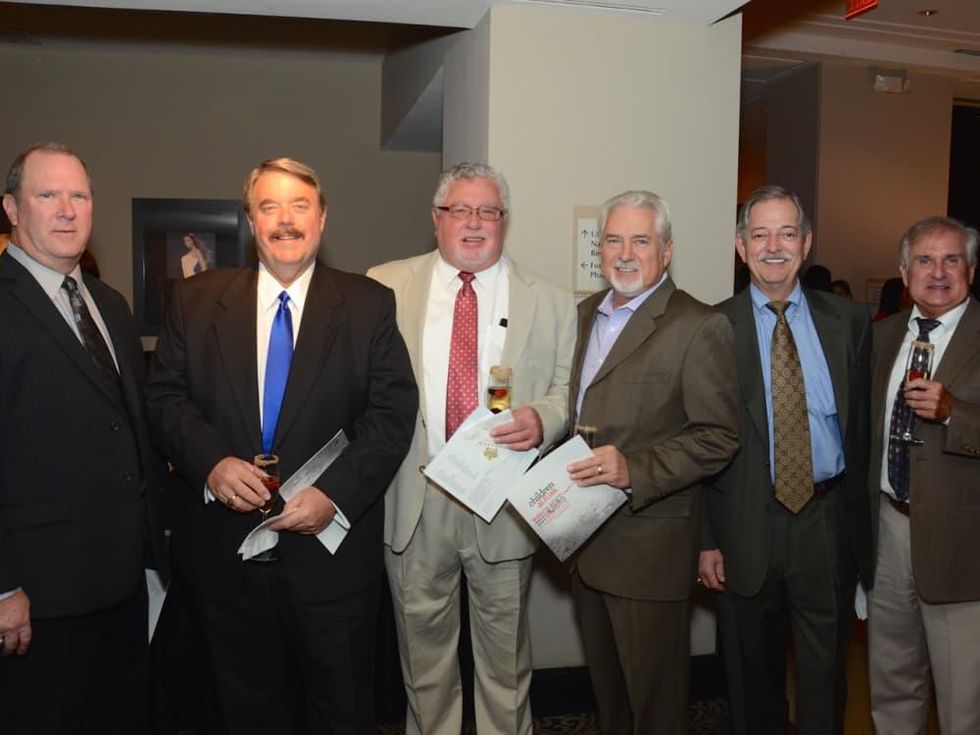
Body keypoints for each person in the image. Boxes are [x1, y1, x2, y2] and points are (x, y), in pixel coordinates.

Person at [145, 157, 417, 734]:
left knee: (340, 715)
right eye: (269, 207)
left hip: (331, 566)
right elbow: (164, 397)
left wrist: (334, 496)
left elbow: (392, 416)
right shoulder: (195, 301)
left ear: (322, 219)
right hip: (225, 565)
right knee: (242, 715)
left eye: (300, 206)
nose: (285, 220)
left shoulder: (368, 304)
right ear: (251, 221)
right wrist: (211, 464)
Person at [367, 162, 575, 735]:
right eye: (460, 209)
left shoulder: (551, 300)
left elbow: (567, 388)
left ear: (505, 221)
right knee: (423, 663)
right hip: (415, 498)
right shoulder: (382, 287)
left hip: (500, 500)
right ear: (436, 218)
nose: (475, 222)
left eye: (489, 211)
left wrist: (544, 418)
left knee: (505, 665)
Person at [0, 142, 169, 732]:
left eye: (80, 195)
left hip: (124, 584)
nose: (68, 210)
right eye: (48, 194)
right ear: (12, 208)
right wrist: (3, 588)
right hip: (37, 596)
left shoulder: (109, 304)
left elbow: (129, 427)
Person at [699, 185, 874, 735]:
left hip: (827, 522)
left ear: (807, 242)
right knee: (753, 677)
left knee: (826, 673)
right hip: (744, 525)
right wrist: (707, 538)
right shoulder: (711, 327)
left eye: (787, 233)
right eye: (760, 234)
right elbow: (698, 439)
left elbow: (864, 431)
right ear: (741, 246)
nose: (774, 246)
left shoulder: (850, 322)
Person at [565, 190, 739, 735]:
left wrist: (634, 470)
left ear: (666, 250)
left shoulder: (698, 324)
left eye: (640, 241)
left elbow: (718, 436)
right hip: (584, 539)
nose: (624, 253)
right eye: (613, 240)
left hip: (649, 548)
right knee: (610, 701)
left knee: (656, 707)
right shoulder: (584, 315)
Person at [867, 216, 980, 735]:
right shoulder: (881, 335)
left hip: (962, 545)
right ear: (903, 271)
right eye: (925, 260)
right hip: (888, 528)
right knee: (892, 682)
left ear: (971, 269)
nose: (938, 272)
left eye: (951, 260)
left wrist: (956, 413)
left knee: (963, 703)